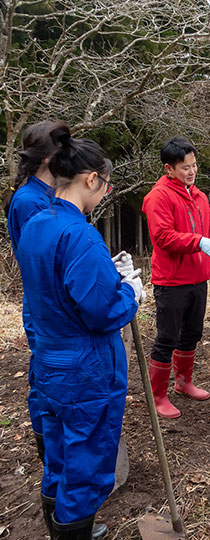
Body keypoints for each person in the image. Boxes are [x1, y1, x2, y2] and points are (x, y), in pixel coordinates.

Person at [16, 125, 142, 539]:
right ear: (91, 179)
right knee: (86, 466)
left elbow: (54, 287)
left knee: (58, 455)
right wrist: (130, 291)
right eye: (105, 186)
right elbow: (103, 311)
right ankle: (73, 530)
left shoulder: (36, 222)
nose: (105, 194)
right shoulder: (80, 234)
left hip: (50, 361)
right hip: (85, 368)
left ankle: (57, 526)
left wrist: (108, 272)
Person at [142, 136, 210, 418]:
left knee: (192, 334)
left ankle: (184, 381)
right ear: (169, 168)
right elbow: (163, 237)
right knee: (168, 337)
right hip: (171, 281)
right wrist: (197, 242)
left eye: (194, 165)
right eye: (184, 168)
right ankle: (157, 395)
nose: (191, 171)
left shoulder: (199, 196)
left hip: (197, 279)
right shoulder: (159, 197)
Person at [3, 120, 66, 465]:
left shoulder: (47, 194)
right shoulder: (29, 202)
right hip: (46, 305)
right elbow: (46, 259)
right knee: (46, 380)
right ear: (46, 159)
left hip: (53, 301)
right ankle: (51, 460)